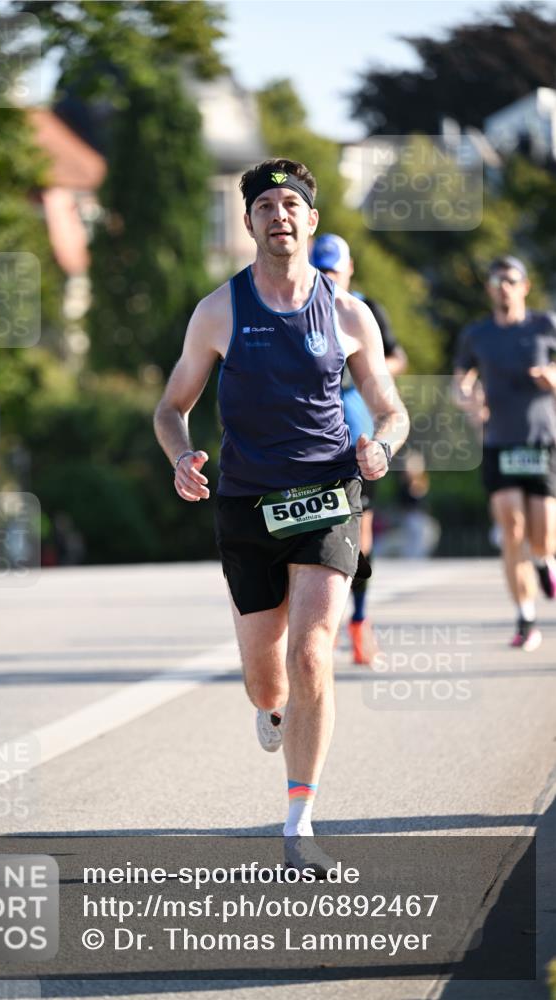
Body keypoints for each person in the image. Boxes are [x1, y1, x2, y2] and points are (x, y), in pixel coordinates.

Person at [154, 158, 409, 875]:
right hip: (245, 503)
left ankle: (299, 823)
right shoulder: (218, 310)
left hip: (329, 498)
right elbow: (171, 407)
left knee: (311, 653)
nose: (278, 215)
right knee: (267, 680)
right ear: (249, 224)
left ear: (311, 220)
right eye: (264, 206)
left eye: (290, 205)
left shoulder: (349, 312)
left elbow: (390, 411)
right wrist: (180, 457)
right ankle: (270, 713)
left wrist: (380, 449)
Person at [311, 234, 407, 664]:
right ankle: (320, 627)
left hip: (360, 439)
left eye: (335, 271)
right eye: (322, 270)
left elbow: (397, 356)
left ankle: (360, 621)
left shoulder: (364, 310)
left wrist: (364, 366)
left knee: (358, 543)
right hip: (312, 447)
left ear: (349, 270)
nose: (329, 279)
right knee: (314, 540)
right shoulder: (298, 309)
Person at [453, 255, 556, 651]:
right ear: (489, 290)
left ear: (524, 286)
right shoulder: (477, 335)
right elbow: (461, 380)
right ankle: (526, 619)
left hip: (540, 441)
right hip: (499, 442)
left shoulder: (545, 326)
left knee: (542, 535)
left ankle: (546, 563)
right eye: (496, 281)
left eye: (510, 280)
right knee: (512, 530)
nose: (503, 287)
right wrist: (466, 398)